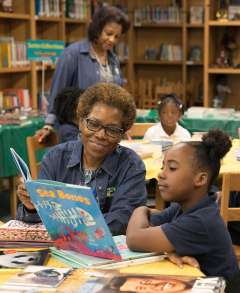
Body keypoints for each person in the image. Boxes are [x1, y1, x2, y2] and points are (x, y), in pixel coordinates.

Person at [16, 82, 147, 236]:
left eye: (112, 130)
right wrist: (31, 207)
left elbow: (122, 219)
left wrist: (67, 227)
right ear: (80, 122)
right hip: (62, 252)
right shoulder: (55, 159)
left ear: (122, 134)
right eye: (93, 124)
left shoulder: (131, 166)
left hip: (114, 255)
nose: (100, 135)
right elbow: (40, 219)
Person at [126, 129, 239, 280]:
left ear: (200, 179)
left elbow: (135, 237)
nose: (161, 174)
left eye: (172, 168)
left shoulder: (201, 221)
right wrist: (170, 251)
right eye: (162, 167)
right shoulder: (184, 206)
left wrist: (141, 208)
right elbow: (148, 225)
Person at [36, 4, 130, 143]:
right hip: (77, 132)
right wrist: (48, 124)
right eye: (108, 34)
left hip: (105, 132)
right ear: (97, 28)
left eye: (117, 36)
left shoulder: (113, 58)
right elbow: (58, 93)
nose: (112, 40)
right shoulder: (72, 54)